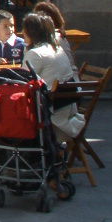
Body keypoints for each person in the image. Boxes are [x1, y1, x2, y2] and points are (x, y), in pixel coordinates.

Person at [21, 11, 82, 139]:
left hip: (51, 116)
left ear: (31, 32)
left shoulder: (35, 53)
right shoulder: (56, 48)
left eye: (25, 29)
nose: (22, 32)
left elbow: (22, 82)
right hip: (68, 108)